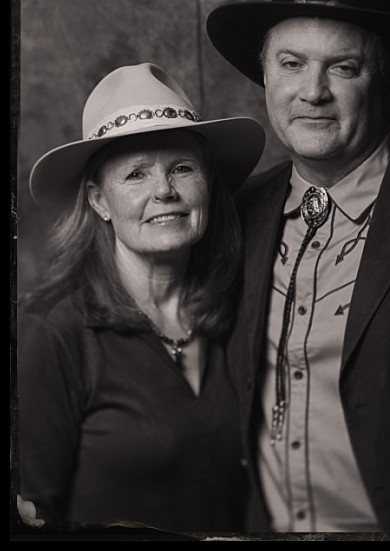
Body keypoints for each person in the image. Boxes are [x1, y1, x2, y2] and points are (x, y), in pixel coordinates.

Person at [205, 0, 390, 533]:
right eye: (292, 64)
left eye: (343, 67)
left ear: (385, 78)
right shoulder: (235, 215)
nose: (312, 91)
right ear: (264, 72)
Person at [17, 63, 266, 531]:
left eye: (182, 168)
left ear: (208, 185)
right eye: (136, 175)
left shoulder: (238, 309)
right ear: (98, 201)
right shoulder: (51, 333)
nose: (165, 191)